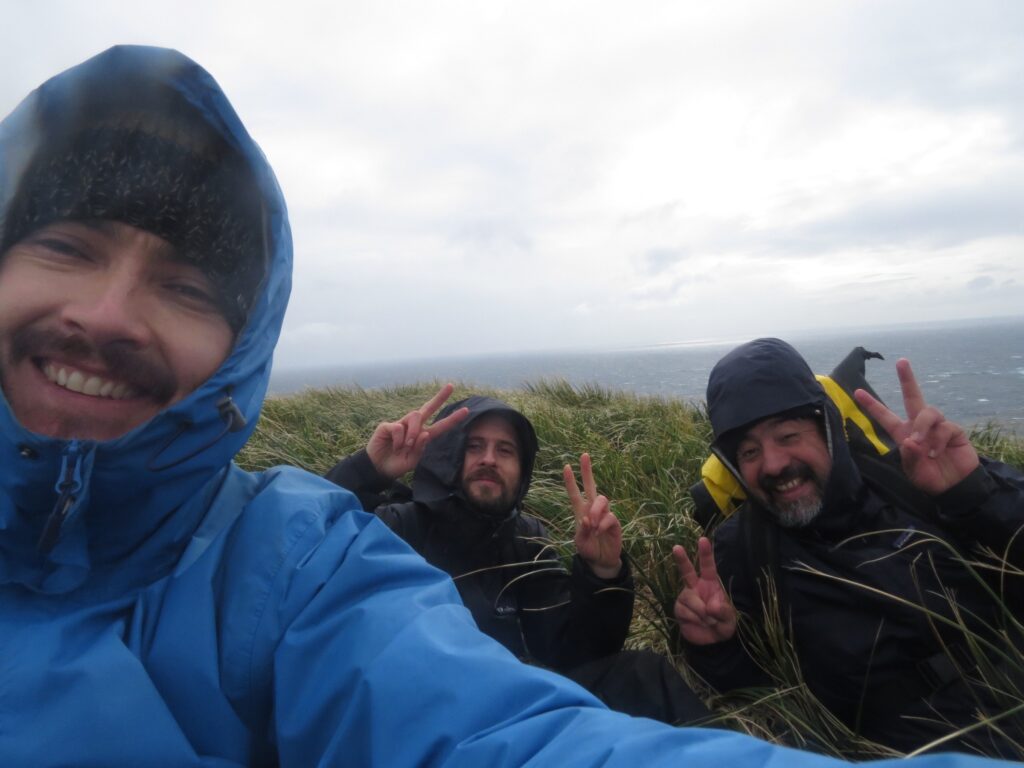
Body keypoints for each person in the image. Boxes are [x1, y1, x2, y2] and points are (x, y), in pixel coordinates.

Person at [0, 46, 1012, 768]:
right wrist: (363, 471)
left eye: (185, 285)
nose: (107, 313)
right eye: (64, 245)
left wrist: (608, 576)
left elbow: (534, 698)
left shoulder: (341, 561)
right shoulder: (364, 536)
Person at [673, 337, 1024, 756]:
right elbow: (759, 703)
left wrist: (974, 496)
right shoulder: (741, 554)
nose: (772, 464)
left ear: (827, 427)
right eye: (748, 451)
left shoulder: (917, 479)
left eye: (787, 434)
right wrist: (715, 648)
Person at [325, 387, 709, 724]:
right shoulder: (398, 525)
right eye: (474, 446)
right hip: (415, 712)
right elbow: (310, 544)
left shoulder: (527, 540)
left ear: (521, 471)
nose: (489, 458)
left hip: (508, 708)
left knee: (646, 674)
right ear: (446, 456)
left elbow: (574, 650)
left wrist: (602, 571)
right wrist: (368, 470)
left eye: (505, 450)